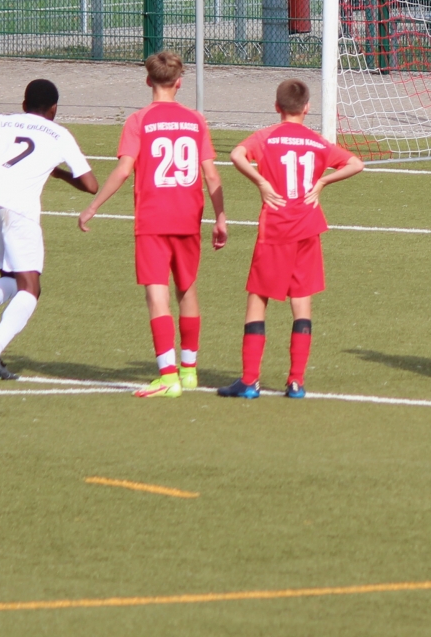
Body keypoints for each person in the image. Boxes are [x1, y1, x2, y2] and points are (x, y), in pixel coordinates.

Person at [77, 51, 228, 399]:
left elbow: (123, 170)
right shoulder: (195, 120)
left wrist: (93, 206)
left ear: (148, 81)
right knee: (187, 288)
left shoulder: (138, 121)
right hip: (188, 216)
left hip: (153, 218)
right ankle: (189, 371)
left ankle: (168, 377)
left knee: (156, 292)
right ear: (179, 83)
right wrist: (220, 217)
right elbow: (211, 174)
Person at [219, 80, 363, 399]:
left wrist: (260, 181)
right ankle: (296, 381)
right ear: (307, 108)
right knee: (302, 302)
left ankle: (250, 380)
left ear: (277, 106)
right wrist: (323, 182)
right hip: (308, 228)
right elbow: (356, 164)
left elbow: (236, 154)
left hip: (275, 229)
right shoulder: (317, 141)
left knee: (258, 300)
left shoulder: (266, 137)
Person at [0, 79, 98, 380]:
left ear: (23, 104)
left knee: (11, 276)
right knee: (31, 288)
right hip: (19, 209)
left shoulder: (3, 122)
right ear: (54, 108)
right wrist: (58, 174)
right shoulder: (59, 134)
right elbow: (91, 185)